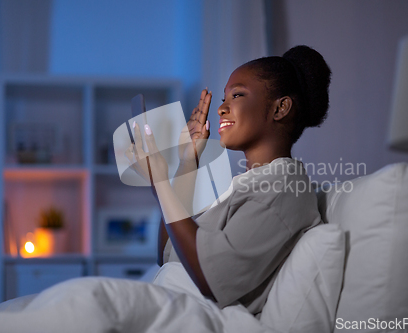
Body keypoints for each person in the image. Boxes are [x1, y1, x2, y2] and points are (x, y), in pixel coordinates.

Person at [126, 45, 332, 317]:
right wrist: (187, 162)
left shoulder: (285, 187)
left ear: (280, 108)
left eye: (237, 95)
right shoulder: (249, 183)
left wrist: (160, 182)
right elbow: (168, 254)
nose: (222, 108)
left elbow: (212, 278)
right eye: (224, 98)